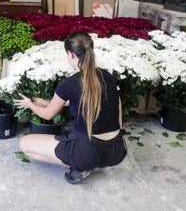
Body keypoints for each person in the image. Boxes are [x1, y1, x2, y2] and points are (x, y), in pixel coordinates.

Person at [14, 31, 127, 184]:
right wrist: (47, 102)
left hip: (88, 152)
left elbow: (47, 115)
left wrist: (30, 104)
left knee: (25, 144)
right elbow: (114, 102)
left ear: (71, 54)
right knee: (74, 130)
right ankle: (86, 161)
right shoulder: (106, 75)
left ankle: (80, 166)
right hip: (117, 151)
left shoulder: (70, 83)